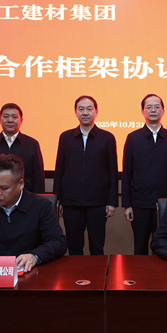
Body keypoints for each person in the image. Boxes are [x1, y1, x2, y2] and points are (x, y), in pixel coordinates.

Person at [53, 95, 118, 255]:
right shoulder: (65, 137)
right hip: (71, 203)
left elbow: (112, 171)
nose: (85, 112)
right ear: (76, 112)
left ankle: (97, 272)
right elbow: (59, 170)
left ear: (96, 112)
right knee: (74, 247)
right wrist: (58, 201)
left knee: (97, 247)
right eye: (81, 109)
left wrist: (111, 202)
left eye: (89, 109)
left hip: (98, 203)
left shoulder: (107, 138)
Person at [122, 94, 167, 255]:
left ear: (163, 111)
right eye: (148, 107)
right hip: (139, 204)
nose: (153, 110)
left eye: (157, 107)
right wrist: (127, 204)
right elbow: (127, 172)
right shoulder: (133, 138)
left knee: (165, 247)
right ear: (142, 111)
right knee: (140, 248)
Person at [0, 103, 44, 195]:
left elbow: (38, 177)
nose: (10, 120)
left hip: (25, 199)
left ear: (21, 120)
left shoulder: (32, 144)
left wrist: (38, 199)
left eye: (14, 117)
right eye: (6, 116)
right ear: (0, 120)